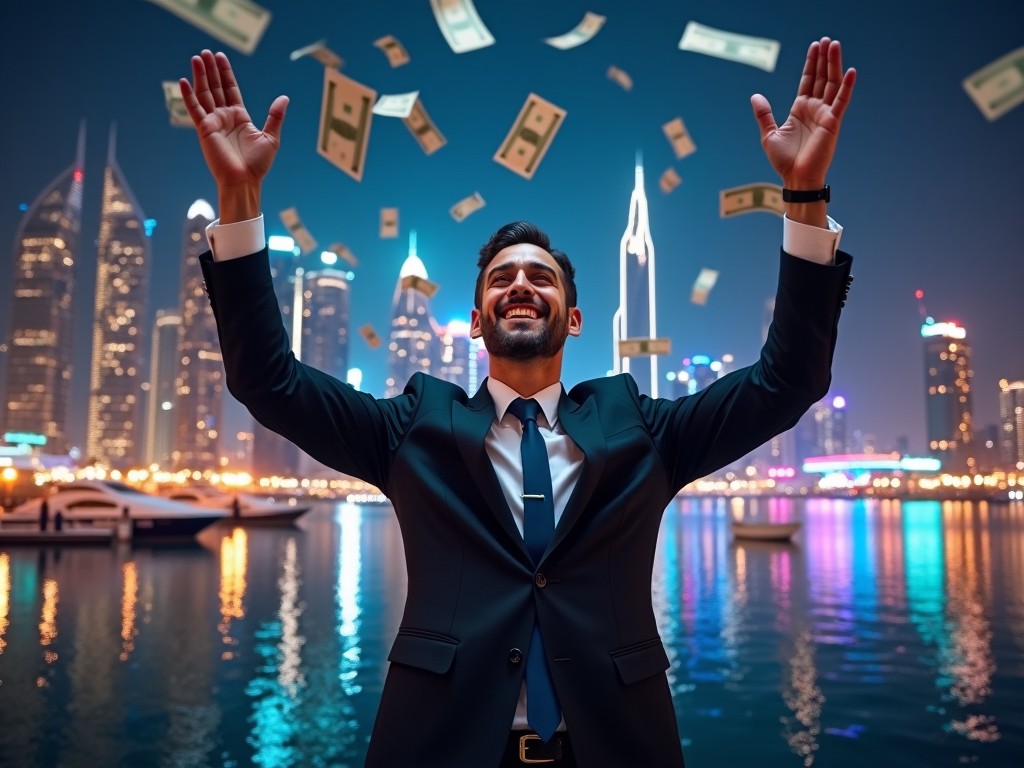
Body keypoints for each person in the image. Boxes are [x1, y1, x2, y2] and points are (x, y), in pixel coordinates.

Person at [180, 36, 856, 768]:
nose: (521, 285)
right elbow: (268, 381)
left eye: (541, 277)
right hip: (442, 747)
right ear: (476, 321)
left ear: (572, 318)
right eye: (501, 279)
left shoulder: (642, 427)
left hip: (614, 748)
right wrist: (240, 198)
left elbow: (787, 380)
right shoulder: (414, 426)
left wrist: (805, 197)